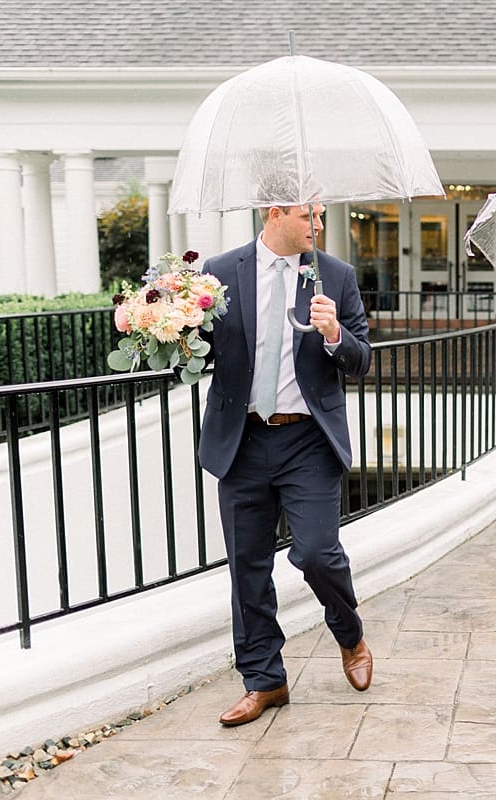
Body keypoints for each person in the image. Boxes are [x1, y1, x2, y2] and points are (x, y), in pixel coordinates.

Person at [197, 196, 375, 727]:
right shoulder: (218, 273)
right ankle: (264, 680)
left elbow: (362, 361)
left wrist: (335, 334)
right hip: (242, 440)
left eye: (320, 214)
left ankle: (350, 634)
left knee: (317, 552)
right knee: (247, 566)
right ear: (274, 214)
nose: (319, 223)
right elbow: (201, 351)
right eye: (308, 215)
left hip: (307, 441)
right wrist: (170, 327)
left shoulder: (335, 276)